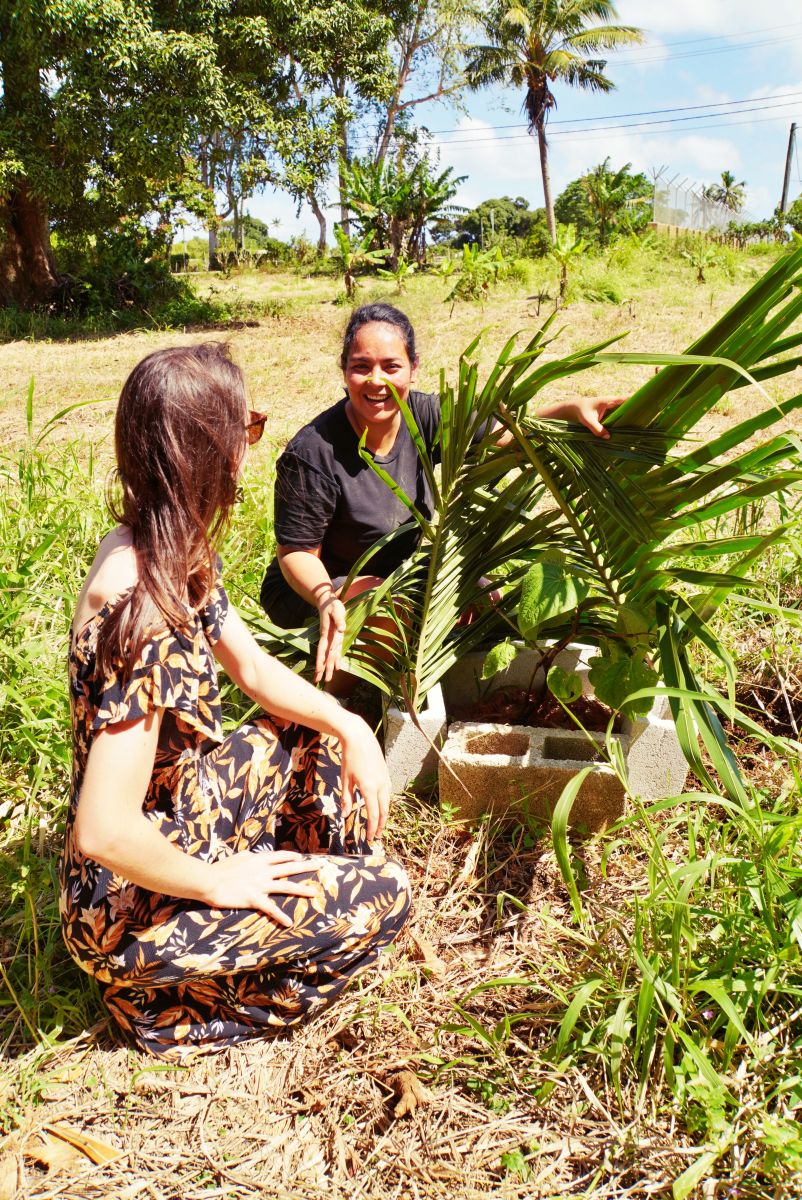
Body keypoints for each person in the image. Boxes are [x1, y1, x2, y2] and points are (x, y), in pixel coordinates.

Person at [60, 343, 411, 1061]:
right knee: (388, 893)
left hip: (177, 818)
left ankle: (285, 885)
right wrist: (220, 881)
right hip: (126, 905)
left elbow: (250, 666)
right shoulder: (145, 607)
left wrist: (348, 723)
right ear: (206, 451)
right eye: (244, 429)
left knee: (302, 729)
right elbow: (102, 829)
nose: (252, 446)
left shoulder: (166, 547)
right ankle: (166, 1009)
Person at [260, 302, 620, 686]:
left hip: (395, 575)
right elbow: (297, 552)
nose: (376, 381)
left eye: (391, 366)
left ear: (413, 367)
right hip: (315, 588)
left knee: (483, 602)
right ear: (344, 369)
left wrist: (570, 409)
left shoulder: (425, 413)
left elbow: (505, 435)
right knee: (387, 607)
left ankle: (448, 685)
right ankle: (351, 699)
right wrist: (326, 599)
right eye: (361, 366)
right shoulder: (314, 451)